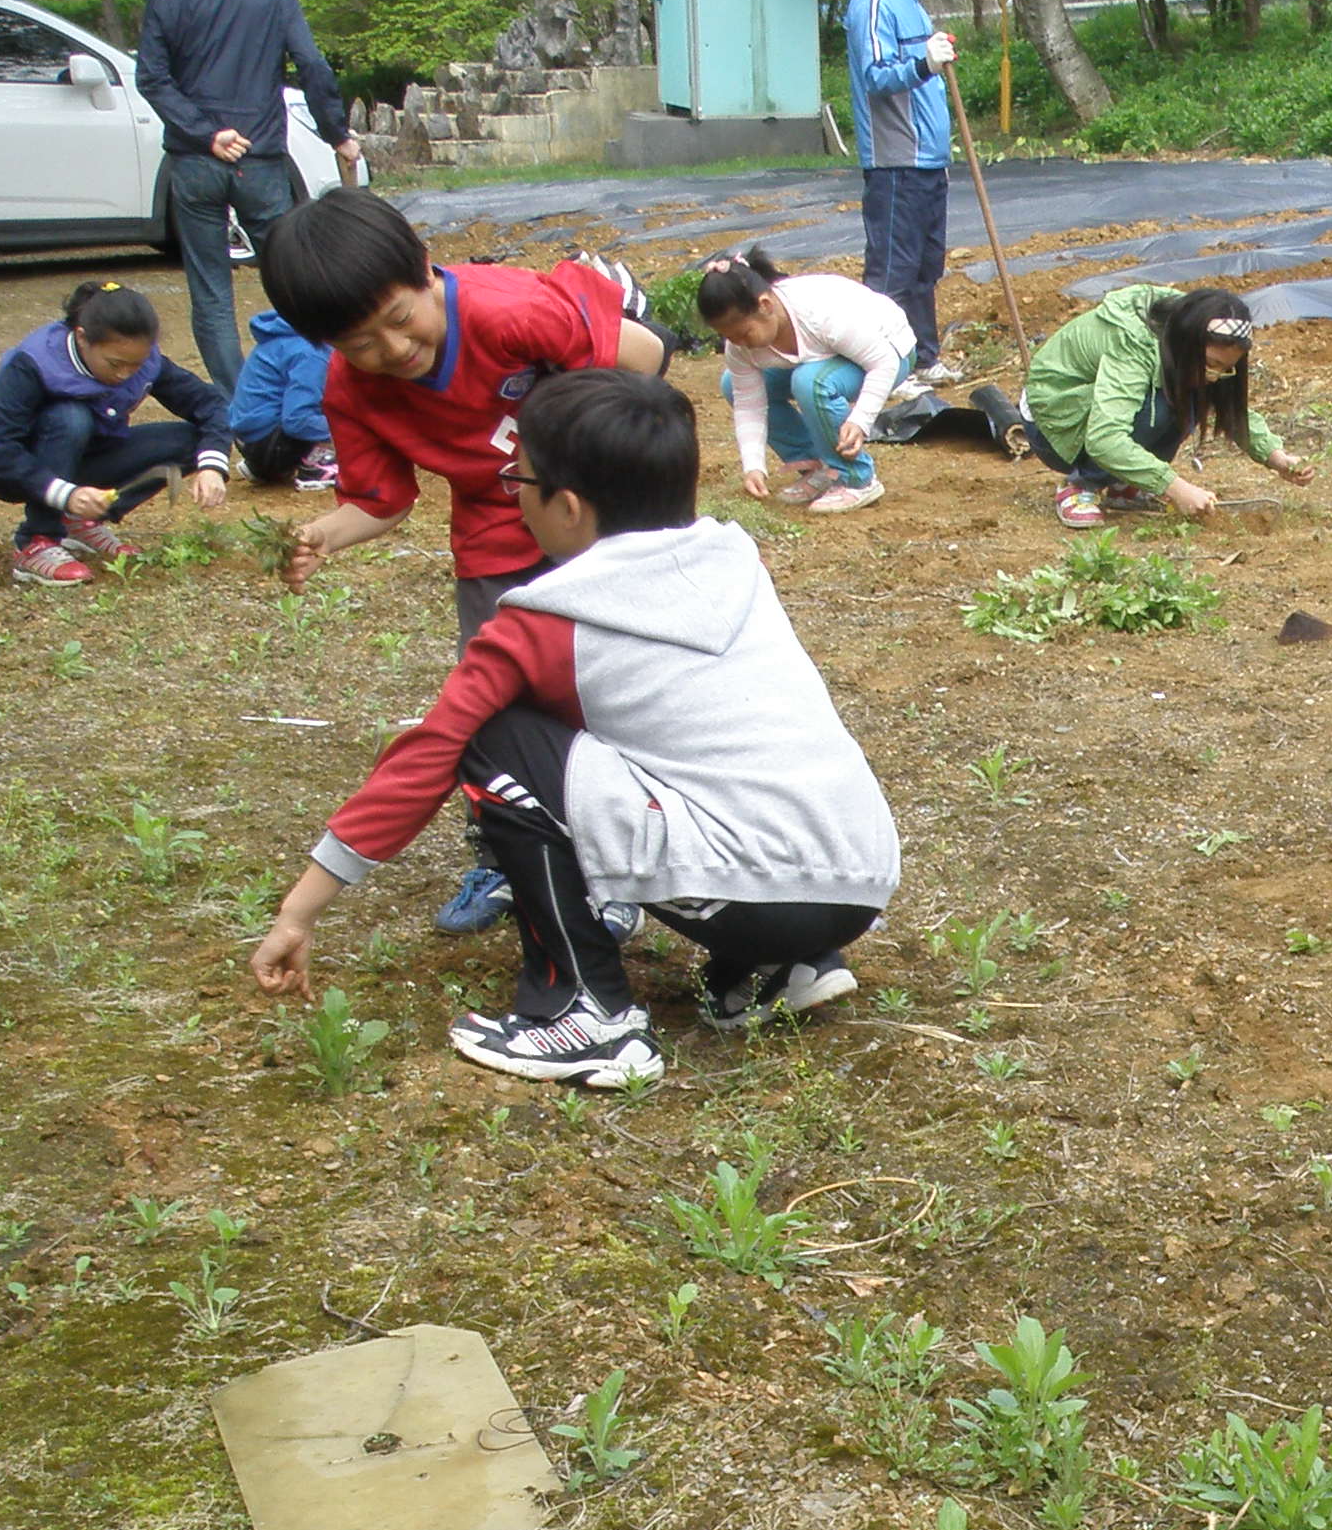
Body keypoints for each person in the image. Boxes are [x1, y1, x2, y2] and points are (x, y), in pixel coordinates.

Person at [247, 372, 902, 1090]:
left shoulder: (547, 621)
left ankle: (585, 1013)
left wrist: (300, 909)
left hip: (759, 891)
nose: (510, 492)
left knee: (493, 738)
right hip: (859, 881)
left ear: (565, 505)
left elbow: (429, 753)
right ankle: (783, 967)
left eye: (516, 476)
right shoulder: (731, 558)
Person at [257, 185, 670, 933]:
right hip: (496, 538)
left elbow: (647, 359)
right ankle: (507, 853)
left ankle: (622, 863)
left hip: (593, 522)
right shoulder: (353, 390)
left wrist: (599, 469)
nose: (391, 351)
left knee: (611, 689)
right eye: (359, 344)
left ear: (424, 271)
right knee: (492, 704)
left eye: (399, 320)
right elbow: (381, 499)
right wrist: (324, 533)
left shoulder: (510, 311)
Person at [136, 0, 358, 390]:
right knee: (293, 280)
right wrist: (336, 134)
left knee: (211, 291)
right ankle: (313, 385)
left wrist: (206, 133)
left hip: (196, 162)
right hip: (260, 159)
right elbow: (313, 66)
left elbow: (152, 78)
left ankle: (239, 406)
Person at [0, 280, 231, 588]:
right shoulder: (35, 361)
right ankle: (37, 540)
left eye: (137, 364)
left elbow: (210, 404)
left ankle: (79, 521)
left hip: (81, 454)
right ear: (82, 338)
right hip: (6, 464)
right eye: (116, 364)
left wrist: (212, 464)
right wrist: (66, 493)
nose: (125, 375)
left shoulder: (145, 363)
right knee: (69, 417)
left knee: (192, 441)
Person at [1020, 284, 1309, 529]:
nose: (1216, 374)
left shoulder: (1198, 326)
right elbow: (1105, 437)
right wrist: (1175, 486)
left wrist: (1276, 456)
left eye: (1225, 368)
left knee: (1191, 390)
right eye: (1211, 364)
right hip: (1053, 423)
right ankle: (1082, 484)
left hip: (1096, 411)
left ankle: (1123, 484)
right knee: (1167, 401)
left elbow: (1232, 408)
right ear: (1188, 344)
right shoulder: (1133, 344)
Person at [697, 248, 918, 516]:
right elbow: (749, 405)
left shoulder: (819, 316)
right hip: (828, 358)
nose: (738, 344)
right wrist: (753, 465)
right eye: (728, 337)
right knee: (731, 383)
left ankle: (857, 479)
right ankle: (818, 467)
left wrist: (860, 420)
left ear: (765, 305)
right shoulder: (741, 346)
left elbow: (883, 361)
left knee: (810, 382)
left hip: (892, 350)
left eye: (743, 333)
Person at [844, 0, 958, 366]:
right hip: (897, 162)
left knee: (926, 269)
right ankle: (884, 365)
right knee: (894, 271)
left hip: (929, 160)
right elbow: (875, 75)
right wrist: (923, 63)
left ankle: (924, 360)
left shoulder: (910, 2)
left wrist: (932, 58)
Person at [227, 307, 334, 489]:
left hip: (249, 440)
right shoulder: (311, 352)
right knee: (348, 412)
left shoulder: (284, 335)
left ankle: (261, 466)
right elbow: (298, 420)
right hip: (273, 444)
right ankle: (315, 467)